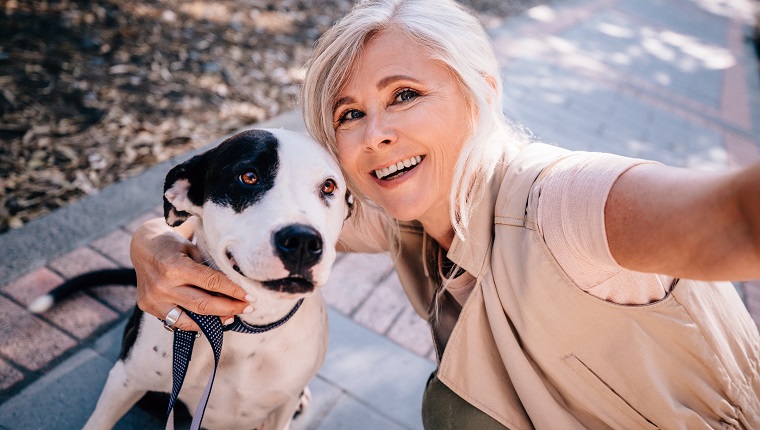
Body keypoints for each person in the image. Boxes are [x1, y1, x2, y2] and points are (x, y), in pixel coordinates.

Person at [130, 0, 760, 427]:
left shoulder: (566, 199)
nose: (375, 134)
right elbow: (238, 219)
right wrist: (152, 242)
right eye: (349, 114)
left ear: (480, 92)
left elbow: (738, 218)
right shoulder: (393, 211)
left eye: (404, 95)